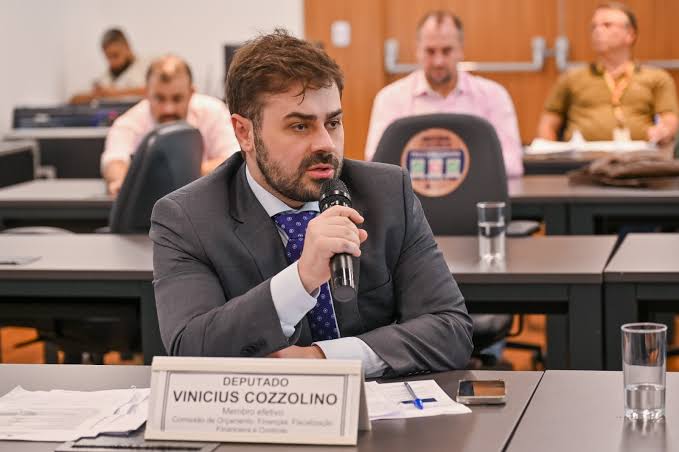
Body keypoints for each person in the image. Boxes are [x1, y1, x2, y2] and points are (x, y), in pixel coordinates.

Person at [149, 30, 473, 378]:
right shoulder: (187, 218)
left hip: (378, 407)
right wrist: (301, 279)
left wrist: (324, 359)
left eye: (333, 123)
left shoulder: (388, 192)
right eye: (300, 126)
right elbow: (191, 350)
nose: (325, 144)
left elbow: (450, 329)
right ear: (244, 133)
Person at [364, 11, 524, 178]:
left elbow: (513, 163)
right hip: (410, 194)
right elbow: (376, 165)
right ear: (417, 50)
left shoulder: (493, 96)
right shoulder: (390, 99)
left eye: (447, 51)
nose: (438, 61)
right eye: (430, 51)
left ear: (461, 50)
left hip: (476, 192)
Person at [537, 2, 679, 145]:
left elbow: (669, 120)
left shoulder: (657, 78)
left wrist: (664, 131)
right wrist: (550, 153)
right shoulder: (571, 77)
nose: (597, 31)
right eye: (593, 26)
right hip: (582, 157)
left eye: (607, 25)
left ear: (630, 35)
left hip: (639, 156)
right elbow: (547, 124)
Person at [101, 55, 240, 195]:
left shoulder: (214, 112)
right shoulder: (128, 122)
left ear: (191, 93)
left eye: (177, 99)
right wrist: (120, 181)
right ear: (146, 93)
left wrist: (165, 177)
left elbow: (234, 159)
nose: (168, 109)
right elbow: (114, 160)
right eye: (160, 98)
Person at [70, 28, 147, 105]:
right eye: (108, 57)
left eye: (115, 55)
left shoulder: (147, 66)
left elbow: (150, 91)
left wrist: (114, 93)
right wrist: (97, 94)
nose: (112, 62)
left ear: (127, 47)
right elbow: (74, 99)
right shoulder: (104, 78)